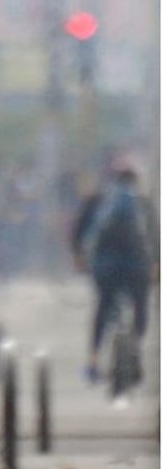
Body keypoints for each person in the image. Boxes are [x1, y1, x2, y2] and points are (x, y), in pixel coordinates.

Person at [70, 157, 158, 391]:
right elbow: (155, 236)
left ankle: (94, 361)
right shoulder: (143, 203)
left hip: (105, 266)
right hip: (137, 265)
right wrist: (156, 266)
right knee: (140, 307)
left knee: (103, 307)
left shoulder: (98, 200)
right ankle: (135, 353)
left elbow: (78, 233)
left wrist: (80, 259)